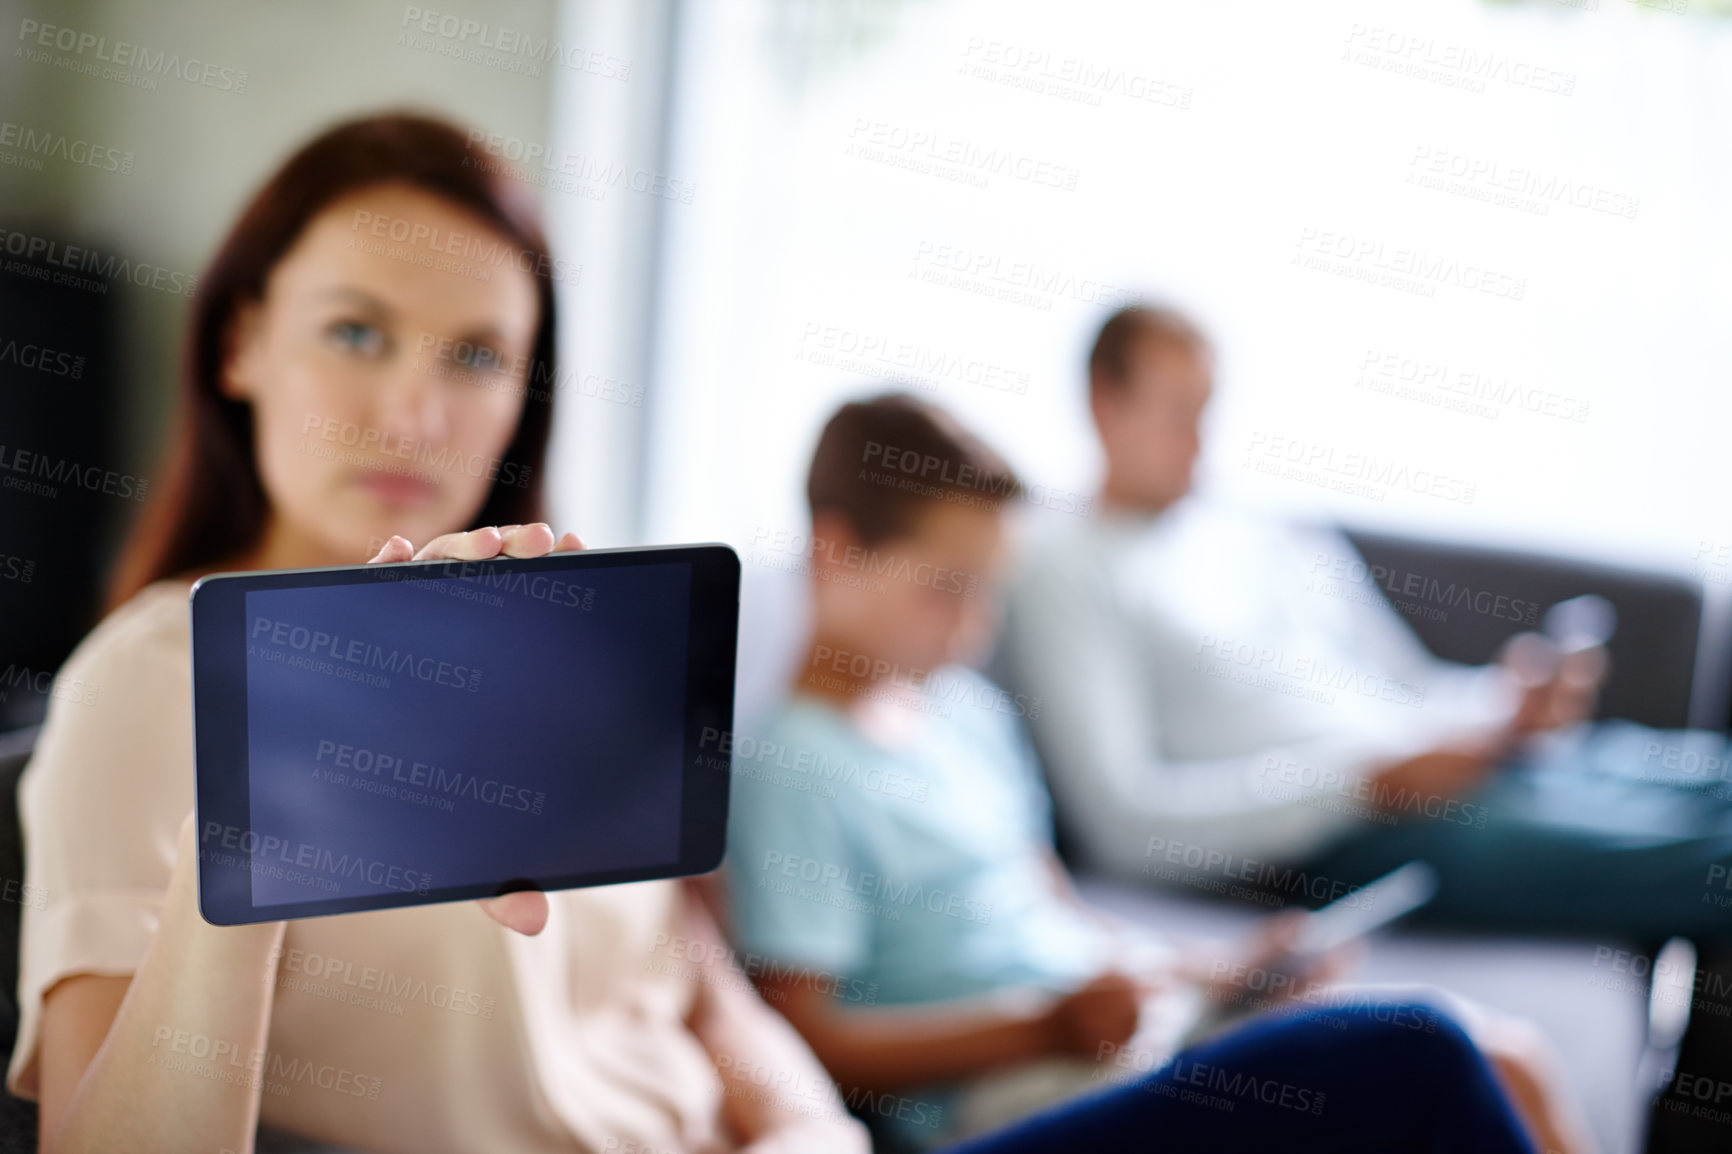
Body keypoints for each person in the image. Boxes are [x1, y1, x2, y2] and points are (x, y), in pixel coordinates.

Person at [3, 113, 1542, 1154]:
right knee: (1405, 1061)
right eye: (358, 329)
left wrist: (808, 1132)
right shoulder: (153, 679)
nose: (418, 405)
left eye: (479, 353)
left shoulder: (564, 642)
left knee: (1450, 1059)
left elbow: (714, 1001)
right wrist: (274, 819)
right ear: (240, 343)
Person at [722, 394, 1595, 1154]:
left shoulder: (963, 714)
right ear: (836, 552)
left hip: (1124, 1039)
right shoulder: (791, 766)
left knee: (1510, 1059)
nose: (976, 629)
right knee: (1425, 1048)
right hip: (1018, 1101)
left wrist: (1217, 968)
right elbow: (804, 1038)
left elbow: (1056, 913)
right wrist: (1040, 1029)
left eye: (987, 590)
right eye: (946, 589)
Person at [995, 303, 1732, 943]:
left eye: (1208, 410)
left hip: (1455, 764)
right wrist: (1364, 785)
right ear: (1103, 402)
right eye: (1178, 413)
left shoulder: (1261, 532)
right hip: (1345, 833)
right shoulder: (1062, 567)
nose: (1200, 443)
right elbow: (1124, 827)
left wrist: (1502, 706)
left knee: (1709, 777)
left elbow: (1403, 684)